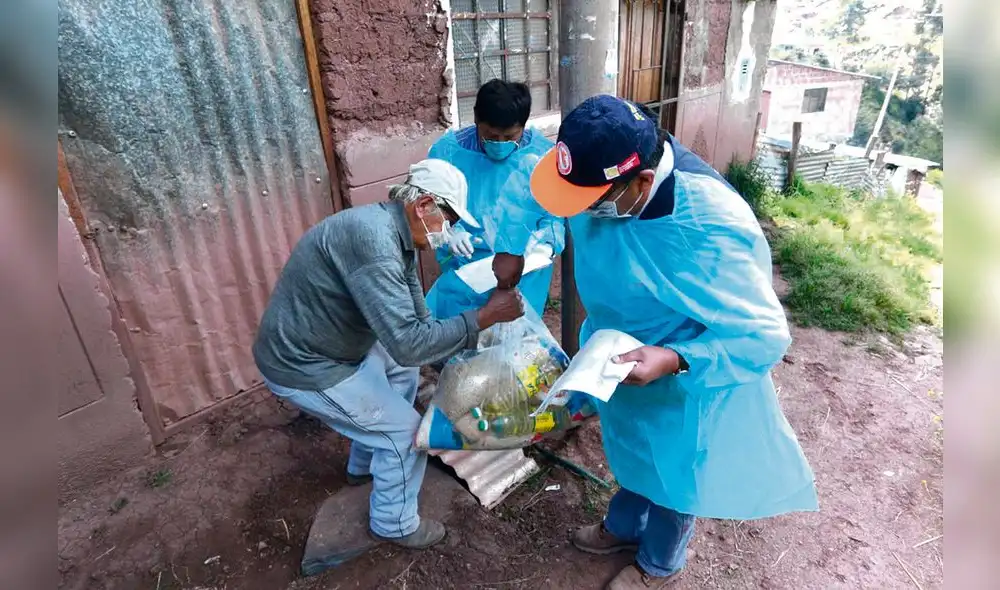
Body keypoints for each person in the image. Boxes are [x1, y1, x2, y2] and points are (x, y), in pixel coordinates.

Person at [528, 96, 818, 590]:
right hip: (620, 355)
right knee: (635, 452)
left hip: (686, 375)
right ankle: (623, 526)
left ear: (643, 182)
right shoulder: (603, 177)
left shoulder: (710, 224)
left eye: (593, 202)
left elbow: (763, 334)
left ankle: (660, 564)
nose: (586, 214)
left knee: (676, 472)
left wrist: (677, 358)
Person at [252, 159, 524, 549]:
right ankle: (393, 523)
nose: (448, 231)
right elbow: (410, 343)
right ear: (424, 205)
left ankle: (363, 466)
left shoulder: (391, 231)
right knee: (407, 434)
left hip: (330, 343)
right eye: (448, 220)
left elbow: (417, 322)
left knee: (401, 371)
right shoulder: (376, 246)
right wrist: (483, 318)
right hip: (303, 364)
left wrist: (464, 341)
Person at [425, 79, 565, 319]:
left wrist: (545, 245)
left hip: (524, 267)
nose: (500, 144)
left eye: (510, 136)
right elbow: (428, 207)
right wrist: (448, 232)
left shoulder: (542, 155)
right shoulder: (447, 153)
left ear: (524, 125)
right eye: (491, 135)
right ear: (476, 119)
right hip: (467, 268)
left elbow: (553, 213)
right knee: (466, 331)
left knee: (521, 335)